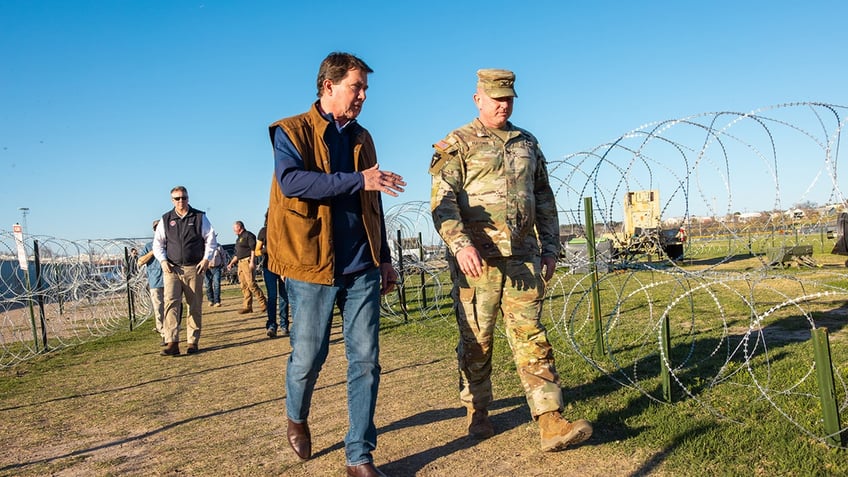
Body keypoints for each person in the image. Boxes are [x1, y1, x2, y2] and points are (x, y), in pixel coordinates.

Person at [429, 69, 593, 452]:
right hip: (477, 263)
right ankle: (478, 409)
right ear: (478, 98)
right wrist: (460, 244)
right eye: (496, 98)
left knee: (531, 337)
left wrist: (551, 247)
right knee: (477, 342)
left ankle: (551, 420)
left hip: (523, 259)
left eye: (509, 98)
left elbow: (544, 198)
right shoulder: (457, 144)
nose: (503, 105)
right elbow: (442, 203)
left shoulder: (527, 142)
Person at [266, 52, 405, 477]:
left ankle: (359, 456)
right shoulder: (291, 131)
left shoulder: (363, 137)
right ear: (329, 86)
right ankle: (297, 415)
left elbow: (373, 200)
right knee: (309, 356)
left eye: (365, 89)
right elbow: (293, 182)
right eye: (356, 87)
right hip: (311, 266)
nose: (362, 96)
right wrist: (358, 179)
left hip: (361, 266)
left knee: (366, 361)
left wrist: (383, 258)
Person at [153, 186, 218, 356]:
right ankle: (172, 342)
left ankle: (192, 342)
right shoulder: (166, 219)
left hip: (193, 268)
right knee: (171, 304)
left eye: (183, 197)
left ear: (188, 198)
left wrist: (206, 259)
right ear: (172, 200)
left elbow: (210, 239)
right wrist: (163, 260)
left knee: (194, 305)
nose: (181, 201)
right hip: (172, 269)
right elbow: (158, 243)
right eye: (177, 198)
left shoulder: (199, 217)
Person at [256, 210, 289, 338]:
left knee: (284, 296)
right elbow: (257, 251)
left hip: (283, 267)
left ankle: (284, 325)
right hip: (269, 267)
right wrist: (267, 249)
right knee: (272, 296)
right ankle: (271, 326)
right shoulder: (264, 231)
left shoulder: (284, 230)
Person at [226, 221, 267, 314]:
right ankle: (247, 306)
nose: (233, 230)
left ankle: (263, 303)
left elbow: (253, 249)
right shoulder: (238, 239)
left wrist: (252, 262)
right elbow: (237, 254)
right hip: (240, 263)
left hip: (247, 261)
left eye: (234, 228)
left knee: (251, 284)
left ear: (240, 227)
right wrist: (231, 263)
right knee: (243, 285)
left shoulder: (248, 235)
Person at [138, 220, 165, 346]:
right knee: (159, 309)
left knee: (172, 309)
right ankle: (164, 334)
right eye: (156, 228)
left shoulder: (170, 244)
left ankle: (171, 332)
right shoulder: (149, 246)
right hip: (155, 282)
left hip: (170, 280)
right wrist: (154, 251)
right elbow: (140, 261)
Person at [205, 241, 228, 307]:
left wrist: (225, 266)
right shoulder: (204, 246)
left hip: (217, 268)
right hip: (207, 269)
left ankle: (217, 301)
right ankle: (210, 300)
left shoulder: (218, 246)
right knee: (208, 285)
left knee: (217, 284)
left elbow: (223, 256)